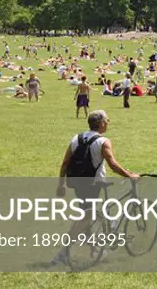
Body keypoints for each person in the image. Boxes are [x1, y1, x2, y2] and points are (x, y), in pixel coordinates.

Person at [52, 110, 139, 265]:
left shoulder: (76, 138)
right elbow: (112, 164)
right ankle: (63, 252)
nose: (107, 123)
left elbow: (65, 163)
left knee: (88, 214)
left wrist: (61, 185)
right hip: (93, 183)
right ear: (101, 123)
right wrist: (130, 175)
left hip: (77, 182)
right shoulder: (103, 141)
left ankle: (94, 249)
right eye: (107, 121)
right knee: (86, 217)